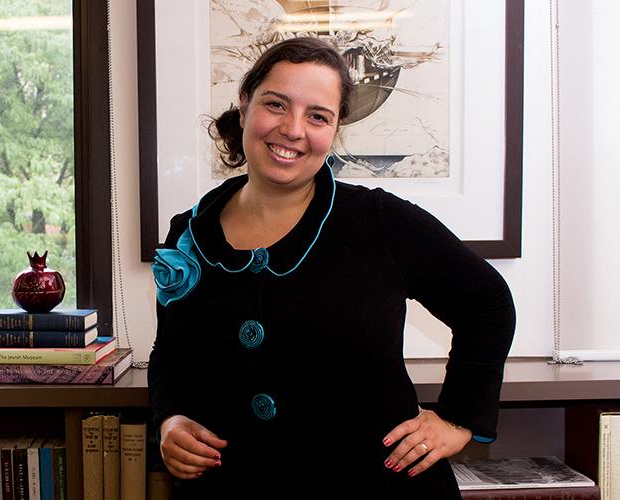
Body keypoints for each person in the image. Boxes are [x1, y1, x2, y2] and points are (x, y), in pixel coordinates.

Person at [148, 36, 516, 499]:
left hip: (374, 490)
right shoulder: (189, 232)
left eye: (317, 116)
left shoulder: (382, 222)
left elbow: (488, 303)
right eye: (276, 104)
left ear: (335, 129)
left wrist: (460, 418)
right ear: (244, 108)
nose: (293, 129)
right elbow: (171, 352)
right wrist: (171, 418)